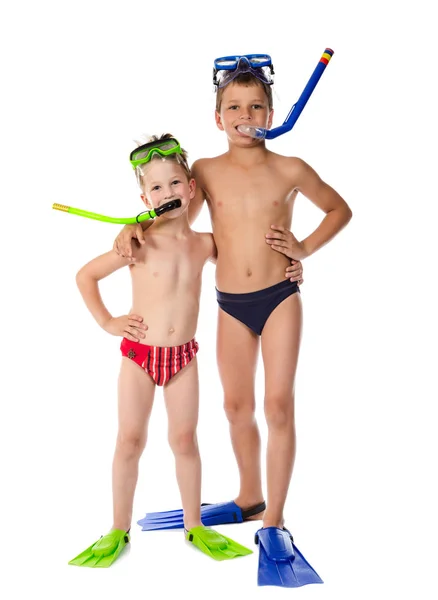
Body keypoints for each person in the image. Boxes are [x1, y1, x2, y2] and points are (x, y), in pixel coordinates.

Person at [114, 55, 352, 586]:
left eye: (257, 106)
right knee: (235, 405)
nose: (246, 114)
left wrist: (305, 248)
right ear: (217, 117)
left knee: (276, 404)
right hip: (230, 303)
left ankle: (275, 520)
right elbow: (175, 223)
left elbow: (339, 209)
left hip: (279, 296)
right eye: (234, 107)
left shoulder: (290, 168)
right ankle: (250, 496)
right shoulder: (203, 172)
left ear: (273, 113)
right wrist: (133, 228)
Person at [68, 134, 253, 568]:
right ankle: (117, 528)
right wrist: (108, 321)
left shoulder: (206, 244)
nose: (166, 193)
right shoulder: (137, 241)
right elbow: (85, 276)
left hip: (183, 357)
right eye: (156, 188)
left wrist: (291, 264)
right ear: (143, 198)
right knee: (130, 439)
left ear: (191, 189)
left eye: (174, 184)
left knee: (184, 439)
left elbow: (246, 261)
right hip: (138, 355)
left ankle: (195, 525)